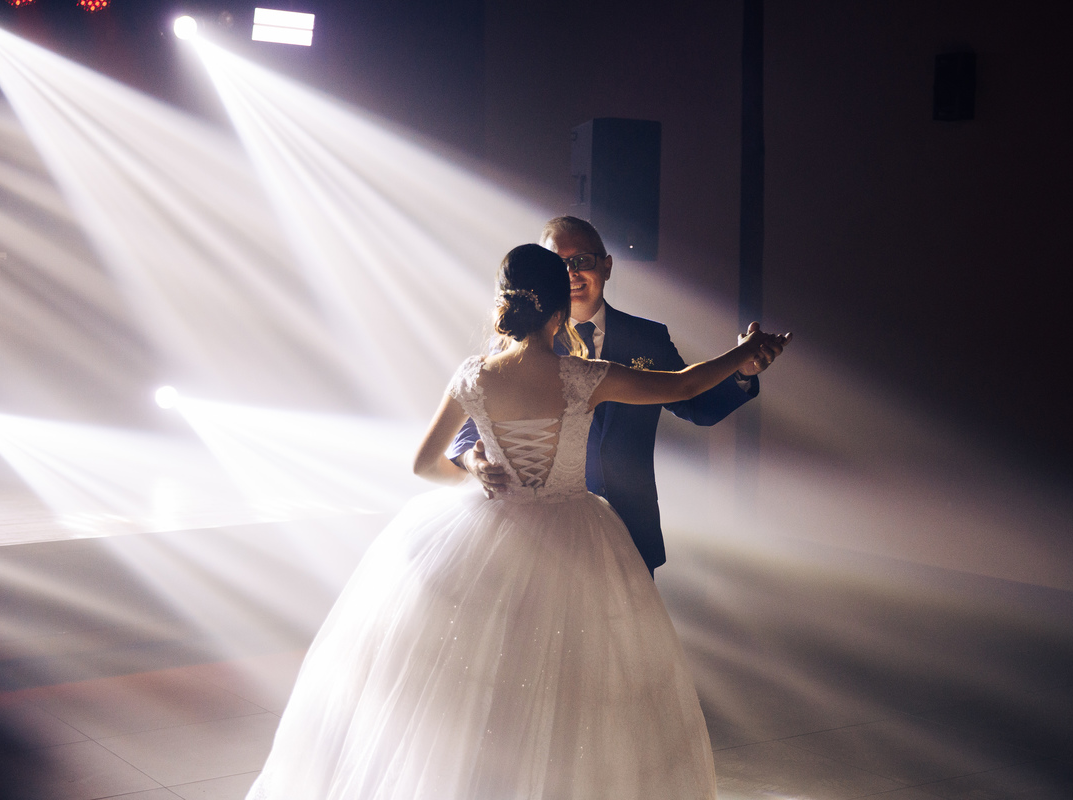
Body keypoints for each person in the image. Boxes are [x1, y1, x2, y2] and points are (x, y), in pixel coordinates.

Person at [245, 244, 783, 800]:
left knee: (480, 680)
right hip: (577, 537)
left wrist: (472, 467)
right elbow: (684, 384)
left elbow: (424, 464)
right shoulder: (583, 377)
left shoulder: (474, 376)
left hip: (485, 533)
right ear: (559, 312)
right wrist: (743, 353)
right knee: (575, 683)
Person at [450, 216, 786, 575]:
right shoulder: (516, 348)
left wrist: (741, 372)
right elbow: (468, 431)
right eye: (558, 265)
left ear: (607, 266)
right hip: (542, 535)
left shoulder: (649, 338)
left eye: (582, 260)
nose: (571, 273)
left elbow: (694, 402)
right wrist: (473, 462)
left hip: (631, 527)